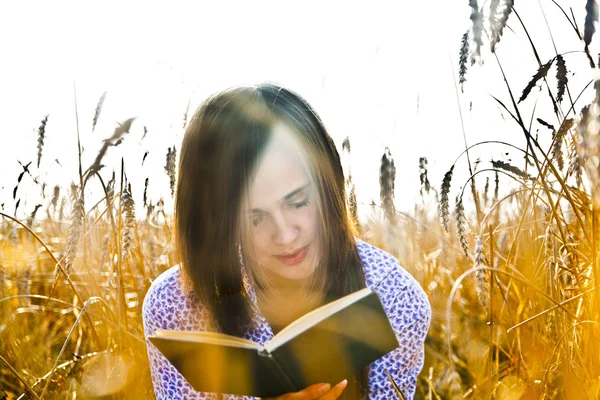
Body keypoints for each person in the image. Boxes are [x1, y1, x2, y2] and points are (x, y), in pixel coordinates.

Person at [142, 83, 431, 400]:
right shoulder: (175, 305)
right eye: (255, 218)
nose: (286, 235)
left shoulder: (393, 299)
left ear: (327, 187)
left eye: (298, 202)